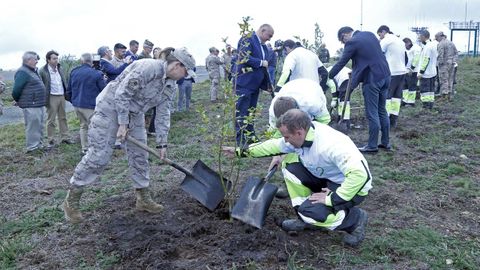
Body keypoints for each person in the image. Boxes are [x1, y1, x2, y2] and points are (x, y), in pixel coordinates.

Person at [62, 47, 196, 224]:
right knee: (100, 156)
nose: (185, 76)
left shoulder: (170, 85)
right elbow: (122, 94)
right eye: (185, 72)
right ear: (177, 65)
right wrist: (122, 124)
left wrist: (162, 144)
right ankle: (72, 200)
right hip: (109, 109)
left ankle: (143, 198)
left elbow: (164, 114)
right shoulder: (148, 68)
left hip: (135, 114)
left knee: (140, 155)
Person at [223, 109, 371, 247]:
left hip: (351, 187)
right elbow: (273, 146)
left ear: (299, 133)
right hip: (326, 177)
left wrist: (332, 199)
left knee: (313, 213)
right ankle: (305, 217)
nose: (285, 141)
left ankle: (355, 219)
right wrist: (240, 152)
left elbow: (360, 175)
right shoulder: (302, 135)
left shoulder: (331, 145)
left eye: (287, 137)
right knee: (290, 168)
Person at [329, 26, 391, 153]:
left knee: (372, 113)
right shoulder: (370, 34)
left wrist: (328, 76)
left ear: (345, 34)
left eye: (342, 40)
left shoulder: (352, 42)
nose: (343, 43)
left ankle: (372, 145)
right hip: (385, 75)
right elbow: (368, 56)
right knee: (382, 110)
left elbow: (342, 62)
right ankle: (385, 142)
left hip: (373, 78)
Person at [232, 23, 274, 145]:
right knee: (241, 111)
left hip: (255, 86)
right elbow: (243, 57)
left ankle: (250, 136)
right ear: (262, 30)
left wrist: (267, 86)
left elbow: (264, 70)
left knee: (251, 112)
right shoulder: (247, 38)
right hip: (244, 83)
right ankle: (240, 140)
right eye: (269, 35)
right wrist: (260, 62)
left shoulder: (264, 47)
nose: (270, 38)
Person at [66, 53, 107, 154]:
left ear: (82, 60)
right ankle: (95, 148)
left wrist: (73, 101)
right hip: (90, 105)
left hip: (77, 105)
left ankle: (85, 148)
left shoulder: (74, 72)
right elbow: (104, 90)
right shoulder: (97, 74)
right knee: (94, 127)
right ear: (92, 61)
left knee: (83, 126)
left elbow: (69, 90)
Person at [12, 51, 47, 153]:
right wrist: (18, 100)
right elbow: (16, 90)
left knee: (39, 125)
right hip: (31, 104)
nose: (37, 61)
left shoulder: (32, 71)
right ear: (28, 60)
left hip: (37, 104)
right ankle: (32, 148)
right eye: (35, 59)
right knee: (32, 127)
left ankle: (39, 146)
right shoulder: (23, 72)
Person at [38, 50, 73, 147]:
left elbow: (64, 81)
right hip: (51, 96)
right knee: (51, 119)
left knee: (63, 117)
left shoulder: (60, 68)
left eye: (57, 58)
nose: (56, 60)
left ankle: (65, 137)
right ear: (48, 60)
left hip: (61, 95)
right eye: (54, 58)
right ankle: (51, 140)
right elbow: (41, 85)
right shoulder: (43, 71)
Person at [377, 25, 407, 129]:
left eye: (380, 34)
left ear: (384, 32)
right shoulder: (400, 41)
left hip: (392, 72)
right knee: (397, 97)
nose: (380, 37)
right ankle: (394, 119)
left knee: (387, 97)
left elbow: (378, 54)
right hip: (402, 71)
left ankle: (386, 120)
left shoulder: (386, 40)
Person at [413, 30, 438, 109]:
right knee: (431, 90)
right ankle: (430, 104)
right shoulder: (432, 45)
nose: (419, 38)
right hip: (432, 71)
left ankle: (426, 105)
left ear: (423, 36)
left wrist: (421, 72)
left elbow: (426, 60)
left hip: (426, 73)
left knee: (425, 90)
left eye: (420, 36)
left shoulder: (427, 47)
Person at [435, 31, 458, 100]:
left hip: (444, 64)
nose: (436, 39)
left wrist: (439, 63)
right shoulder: (451, 43)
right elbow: (456, 53)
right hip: (452, 63)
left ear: (440, 37)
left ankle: (444, 95)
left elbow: (440, 54)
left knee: (443, 79)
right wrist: (454, 61)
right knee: (450, 79)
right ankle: (450, 94)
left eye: (436, 38)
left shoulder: (441, 44)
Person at [401, 38, 421, 107]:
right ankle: (405, 100)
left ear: (408, 43)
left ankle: (411, 102)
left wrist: (412, 68)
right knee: (405, 86)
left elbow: (416, 59)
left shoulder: (416, 48)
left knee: (412, 86)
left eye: (405, 45)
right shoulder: (408, 49)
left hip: (413, 71)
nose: (405, 47)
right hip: (406, 70)